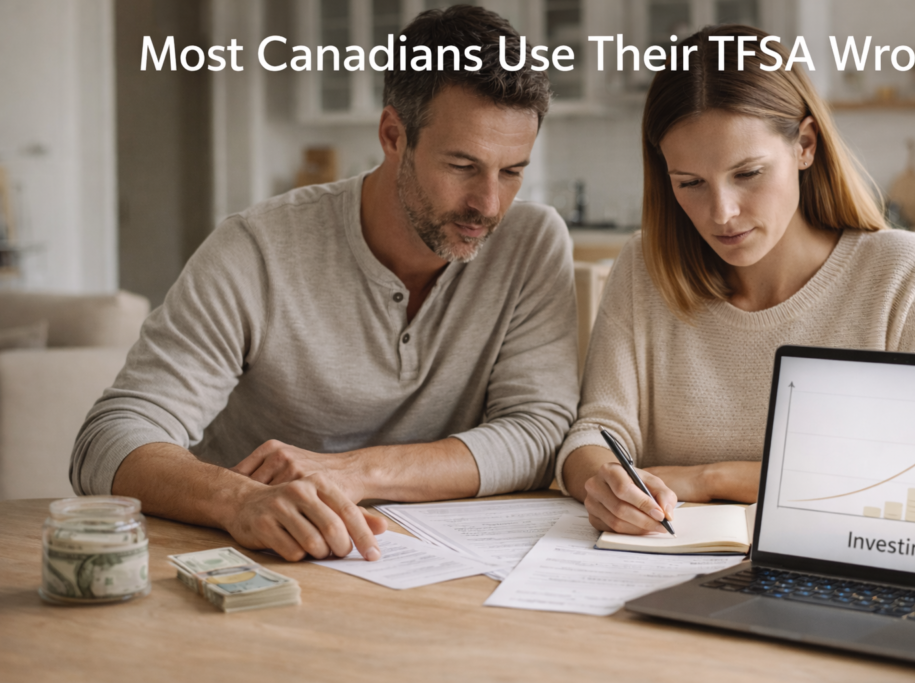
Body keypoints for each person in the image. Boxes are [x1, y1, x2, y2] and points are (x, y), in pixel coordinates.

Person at [71, 6, 579, 563]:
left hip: (421, 564)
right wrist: (238, 500)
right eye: (462, 165)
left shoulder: (531, 243)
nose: (488, 205)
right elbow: (109, 438)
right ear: (393, 135)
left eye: (512, 172)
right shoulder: (258, 248)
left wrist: (357, 470)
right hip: (253, 561)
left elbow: (538, 431)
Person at [557, 25, 915, 535]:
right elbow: (594, 433)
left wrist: (710, 479)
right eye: (690, 184)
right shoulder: (645, 268)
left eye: (748, 173)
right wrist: (605, 482)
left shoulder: (901, 273)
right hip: (656, 572)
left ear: (806, 145)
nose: (722, 213)